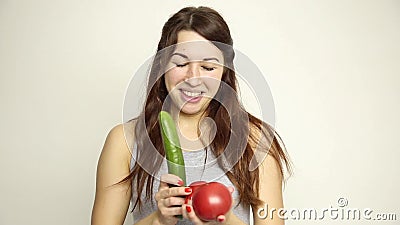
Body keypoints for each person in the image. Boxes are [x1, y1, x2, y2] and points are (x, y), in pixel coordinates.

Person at [91, 6, 291, 225]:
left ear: (225, 70)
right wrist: (159, 219)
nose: (193, 78)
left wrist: (224, 218)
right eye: (181, 63)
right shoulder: (125, 141)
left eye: (207, 66)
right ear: (162, 65)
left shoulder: (255, 140)